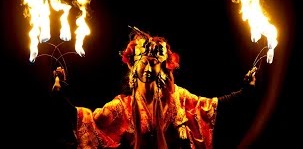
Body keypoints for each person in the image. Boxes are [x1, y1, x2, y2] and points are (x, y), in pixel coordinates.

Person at [51, 26, 257, 149]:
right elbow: (87, 121)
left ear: (165, 66)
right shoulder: (121, 107)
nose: (149, 66)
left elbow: (211, 107)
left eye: (155, 61)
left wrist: (245, 91)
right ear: (132, 64)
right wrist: (61, 93)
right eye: (144, 60)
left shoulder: (179, 98)